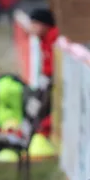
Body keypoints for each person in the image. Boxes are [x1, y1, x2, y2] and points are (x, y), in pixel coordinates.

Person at [28, 8, 58, 154]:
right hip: (47, 81)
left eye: (35, 23)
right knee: (33, 105)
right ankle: (31, 134)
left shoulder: (55, 39)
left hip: (54, 82)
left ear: (45, 24)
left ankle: (39, 135)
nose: (31, 28)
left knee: (41, 106)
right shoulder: (43, 40)